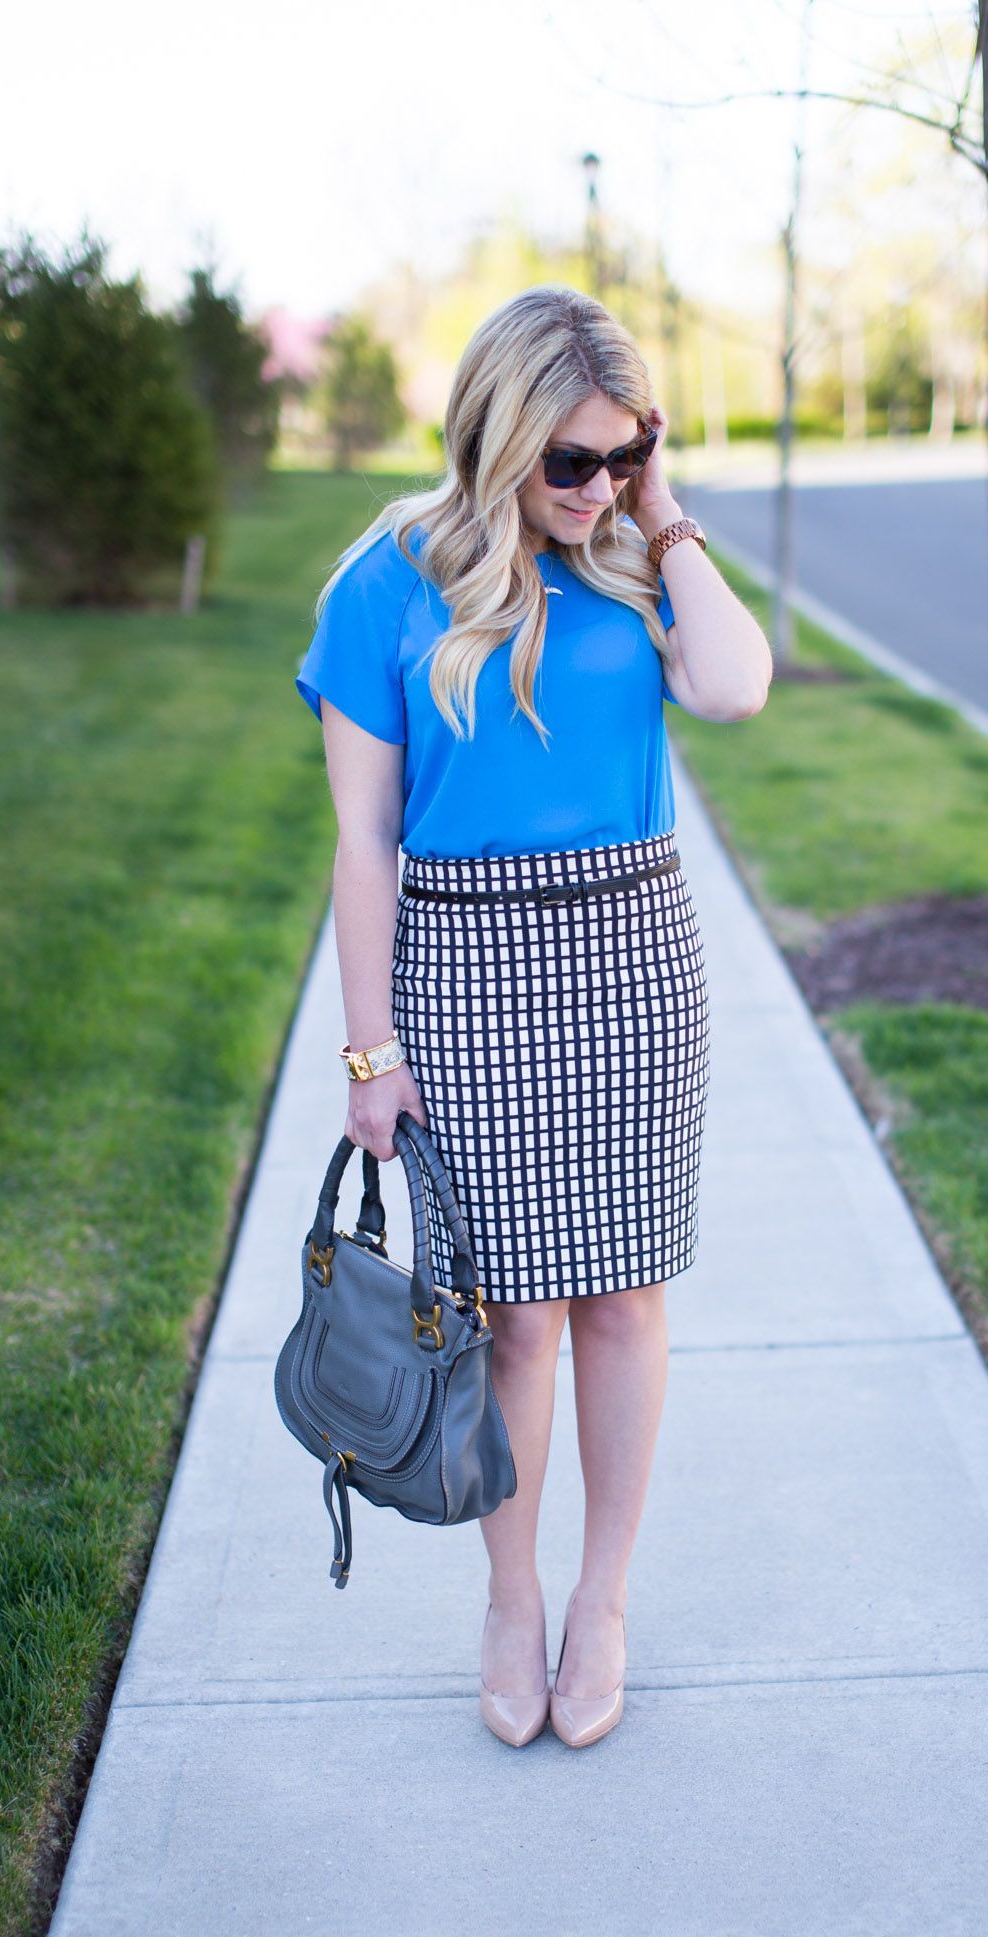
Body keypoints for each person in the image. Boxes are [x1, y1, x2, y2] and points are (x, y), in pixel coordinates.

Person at [294, 284, 772, 1749]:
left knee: (626, 1294)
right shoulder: (384, 582)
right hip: (465, 969)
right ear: (495, 437)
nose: (597, 488)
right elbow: (364, 840)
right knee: (510, 1320)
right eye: (570, 461)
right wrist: (371, 1048)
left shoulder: (637, 553)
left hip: (630, 956)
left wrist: (665, 507)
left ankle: (603, 1598)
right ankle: (511, 1598)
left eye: (624, 454)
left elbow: (737, 689)